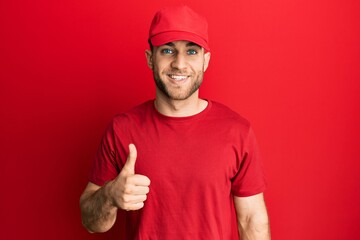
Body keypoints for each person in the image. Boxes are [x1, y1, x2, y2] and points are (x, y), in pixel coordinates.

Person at [80, 5, 270, 240]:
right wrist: (110, 195)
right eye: (168, 51)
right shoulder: (121, 130)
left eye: (191, 52)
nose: (179, 64)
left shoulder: (237, 131)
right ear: (151, 59)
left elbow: (251, 219)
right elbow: (90, 223)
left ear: (206, 60)